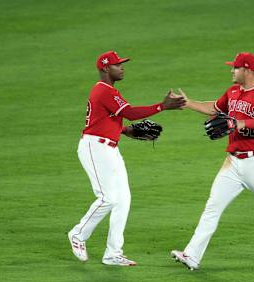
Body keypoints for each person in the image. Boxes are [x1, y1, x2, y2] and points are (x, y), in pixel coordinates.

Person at [171, 52, 254, 271]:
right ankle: (192, 255)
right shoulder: (233, 91)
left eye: (235, 68)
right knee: (212, 207)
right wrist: (188, 103)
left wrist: (242, 123)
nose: (231, 71)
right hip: (233, 164)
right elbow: (215, 108)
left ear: (248, 70)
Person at [68, 50, 185, 266]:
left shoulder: (108, 91)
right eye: (117, 65)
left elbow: (107, 119)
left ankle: (113, 253)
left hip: (110, 149)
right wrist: (162, 106)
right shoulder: (103, 90)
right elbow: (129, 112)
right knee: (108, 198)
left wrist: (124, 131)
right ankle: (78, 234)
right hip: (95, 148)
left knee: (123, 200)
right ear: (105, 68)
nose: (122, 68)